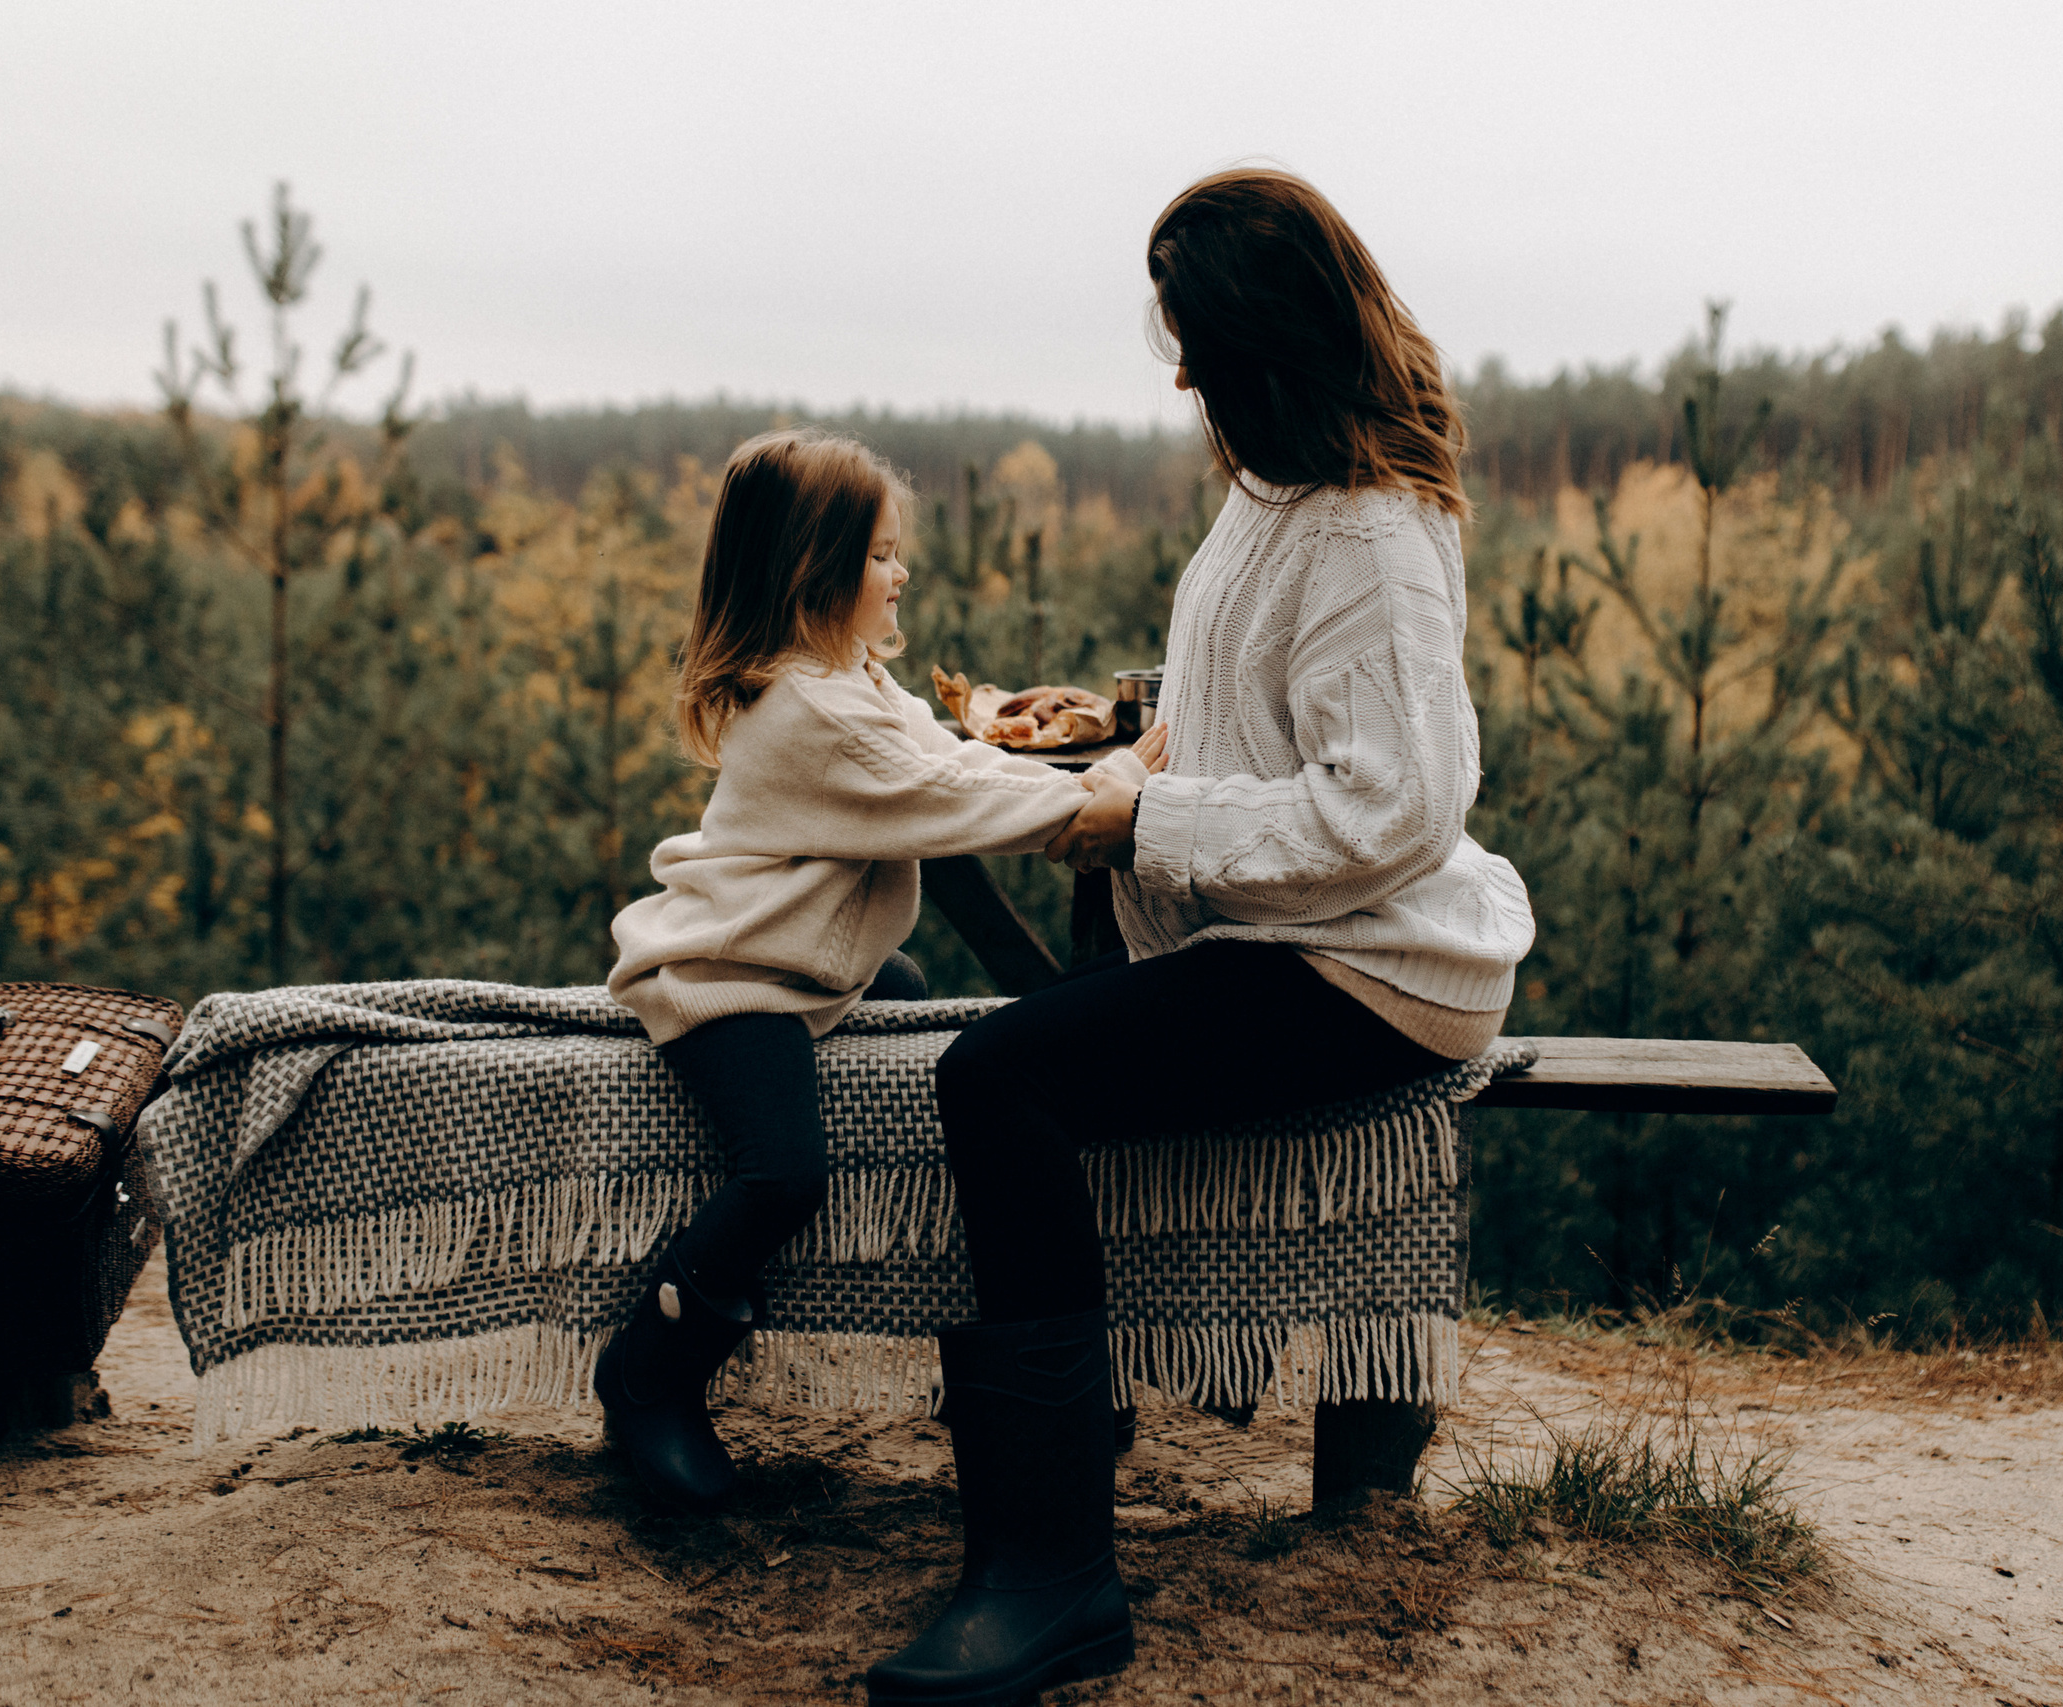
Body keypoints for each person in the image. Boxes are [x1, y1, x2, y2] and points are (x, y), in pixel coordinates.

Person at [865, 171, 1536, 1706]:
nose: (1179, 375)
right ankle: (1060, 1460)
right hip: (1272, 929)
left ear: (1269, 346)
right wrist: (1135, 751)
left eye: (1197, 345)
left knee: (998, 1079)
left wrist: (1139, 823)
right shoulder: (1275, 492)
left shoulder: (1368, 532)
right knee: (1038, 1047)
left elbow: (1395, 811)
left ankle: (1049, 1574)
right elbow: (1257, 716)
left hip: (1375, 967)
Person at [601, 426, 1147, 1513]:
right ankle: (650, 1375)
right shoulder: (808, 711)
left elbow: (946, 760)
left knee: (916, 1020)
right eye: (883, 555)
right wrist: (1113, 788)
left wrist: (1070, 753)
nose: (902, 575)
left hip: (818, 968)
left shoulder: (846, 679)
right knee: (783, 1174)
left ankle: (980, 1338)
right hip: (732, 976)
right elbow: (957, 804)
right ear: (816, 569)